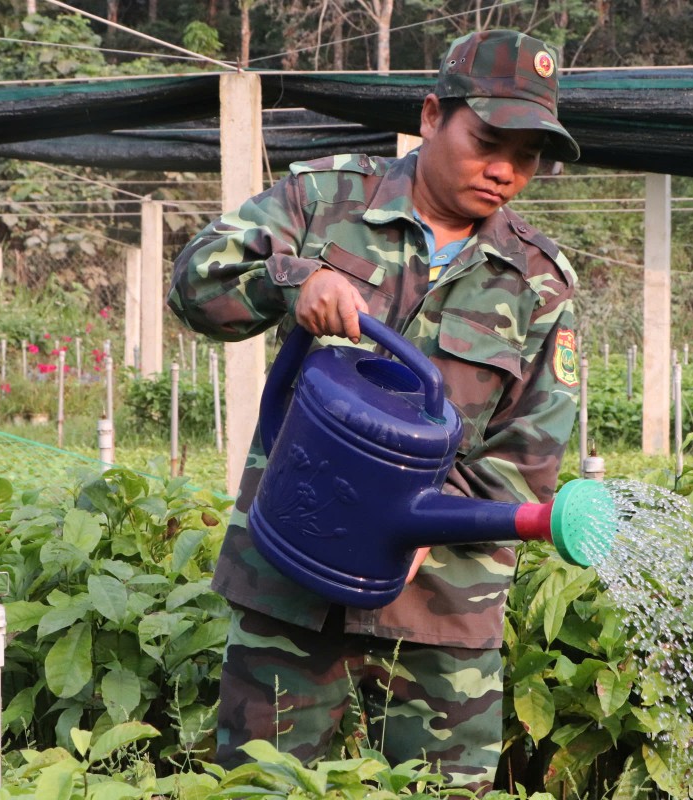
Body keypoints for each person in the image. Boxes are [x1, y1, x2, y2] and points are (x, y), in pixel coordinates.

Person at [167, 29, 580, 795]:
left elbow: (532, 449)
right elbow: (196, 284)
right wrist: (290, 282)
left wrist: (423, 520)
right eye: (489, 141)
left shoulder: (537, 280)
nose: (505, 172)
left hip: (443, 608)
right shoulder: (322, 202)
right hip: (291, 579)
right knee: (263, 787)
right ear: (431, 115)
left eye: (527, 157)